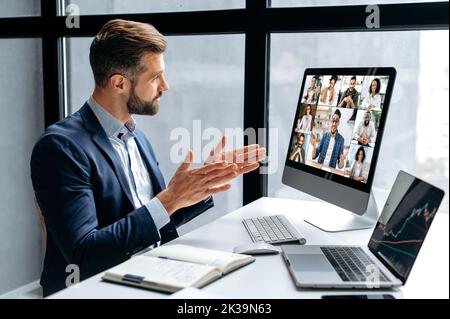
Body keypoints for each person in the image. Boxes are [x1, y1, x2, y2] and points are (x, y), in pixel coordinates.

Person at [30, 19, 266, 297]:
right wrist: (170, 198)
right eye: (155, 77)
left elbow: (150, 221)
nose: (165, 86)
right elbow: (85, 254)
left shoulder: (136, 138)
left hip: (148, 272)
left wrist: (200, 186)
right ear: (119, 83)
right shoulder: (60, 148)